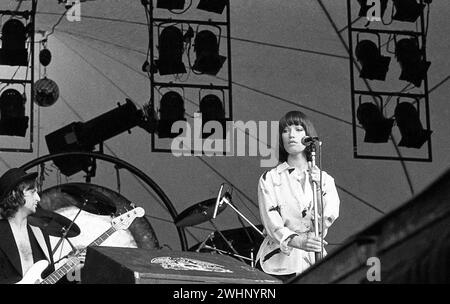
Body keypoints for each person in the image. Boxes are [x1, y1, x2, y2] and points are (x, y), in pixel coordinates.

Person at [255, 111, 340, 282]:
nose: (291, 135)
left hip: (313, 260)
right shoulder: (270, 178)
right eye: (285, 131)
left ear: (309, 136)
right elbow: (272, 223)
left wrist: (317, 191)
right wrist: (298, 241)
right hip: (277, 263)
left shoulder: (325, 179)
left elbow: (329, 215)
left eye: (298, 129)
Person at [0, 168, 54, 284]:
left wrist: (74, 270)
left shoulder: (41, 234)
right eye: (33, 192)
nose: (38, 198)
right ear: (16, 194)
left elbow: (51, 277)